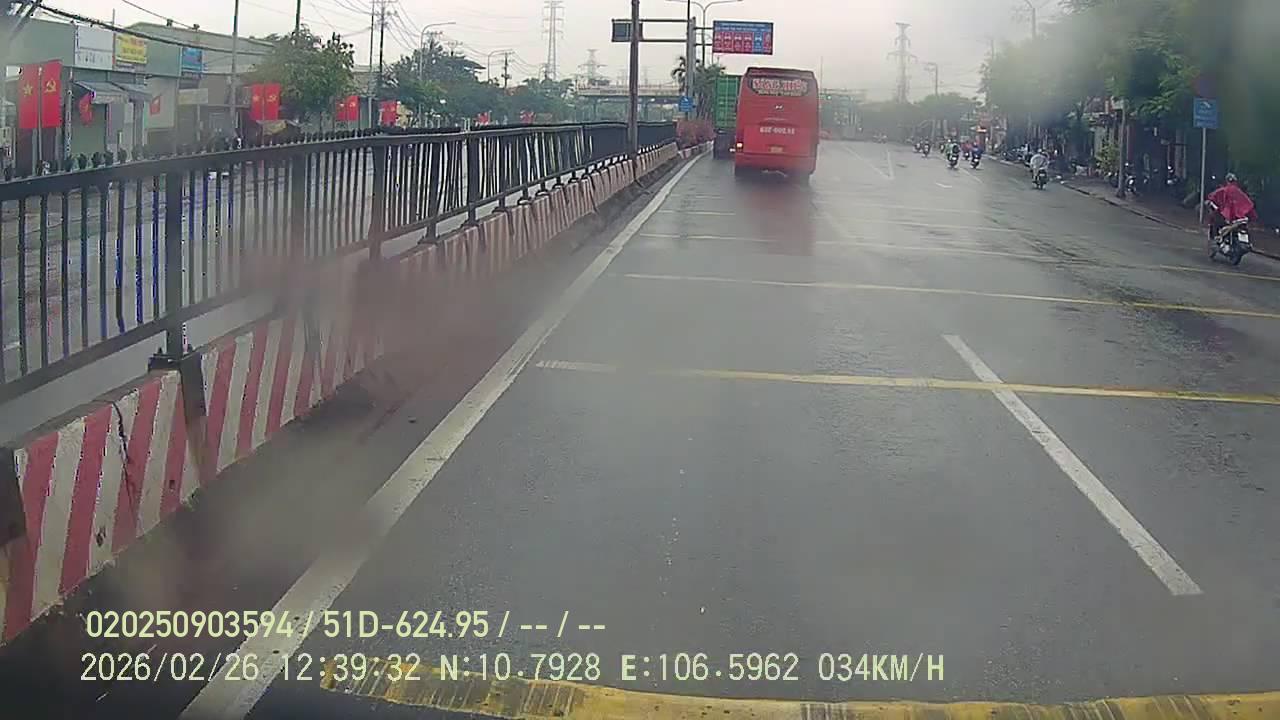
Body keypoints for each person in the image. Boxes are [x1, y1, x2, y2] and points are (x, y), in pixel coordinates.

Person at [1206, 173, 1257, 243]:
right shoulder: (1240, 192)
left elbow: (1212, 197)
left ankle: (1217, 238)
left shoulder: (1224, 190)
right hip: (1241, 219)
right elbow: (1250, 206)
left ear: (1226, 181)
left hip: (1229, 218)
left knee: (1215, 220)